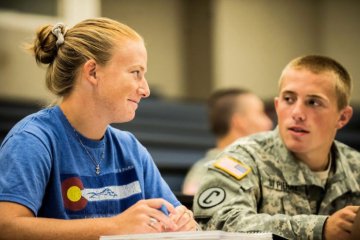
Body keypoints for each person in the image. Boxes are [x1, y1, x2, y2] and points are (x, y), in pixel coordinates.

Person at [0, 17, 198, 239]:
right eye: (136, 73)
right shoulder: (32, 140)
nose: (145, 90)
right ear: (93, 72)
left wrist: (183, 223)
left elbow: (172, 218)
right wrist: (113, 226)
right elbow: (6, 227)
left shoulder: (130, 148)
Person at [193, 55, 360, 240]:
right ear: (277, 105)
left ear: (343, 117)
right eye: (289, 99)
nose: (297, 113)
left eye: (313, 102)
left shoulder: (356, 167)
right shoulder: (243, 158)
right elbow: (218, 224)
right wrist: (320, 229)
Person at [182, 88, 273, 195]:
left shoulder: (264, 165)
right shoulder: (206, 171)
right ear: (240, 122)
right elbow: (193, 204)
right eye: (261, 113)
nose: (269, 122)